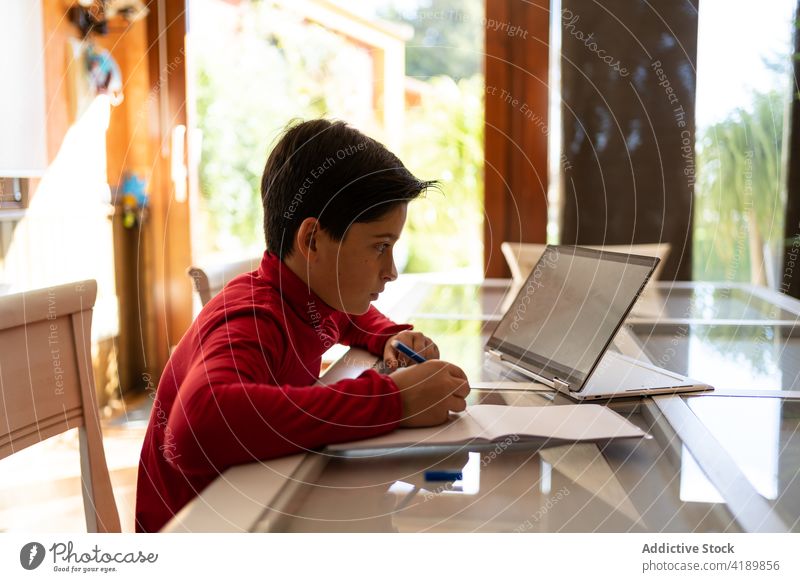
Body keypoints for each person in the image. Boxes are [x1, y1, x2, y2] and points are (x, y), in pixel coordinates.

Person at [135, 119, 471, 532]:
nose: (391, 272)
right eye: (380, 247)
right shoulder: (252, 316)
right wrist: (393, 400)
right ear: (312, 240)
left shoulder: (308, 293)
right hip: (204, 533)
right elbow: (199, 422)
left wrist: (390, 337)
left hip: (261, 497)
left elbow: (351, 316)